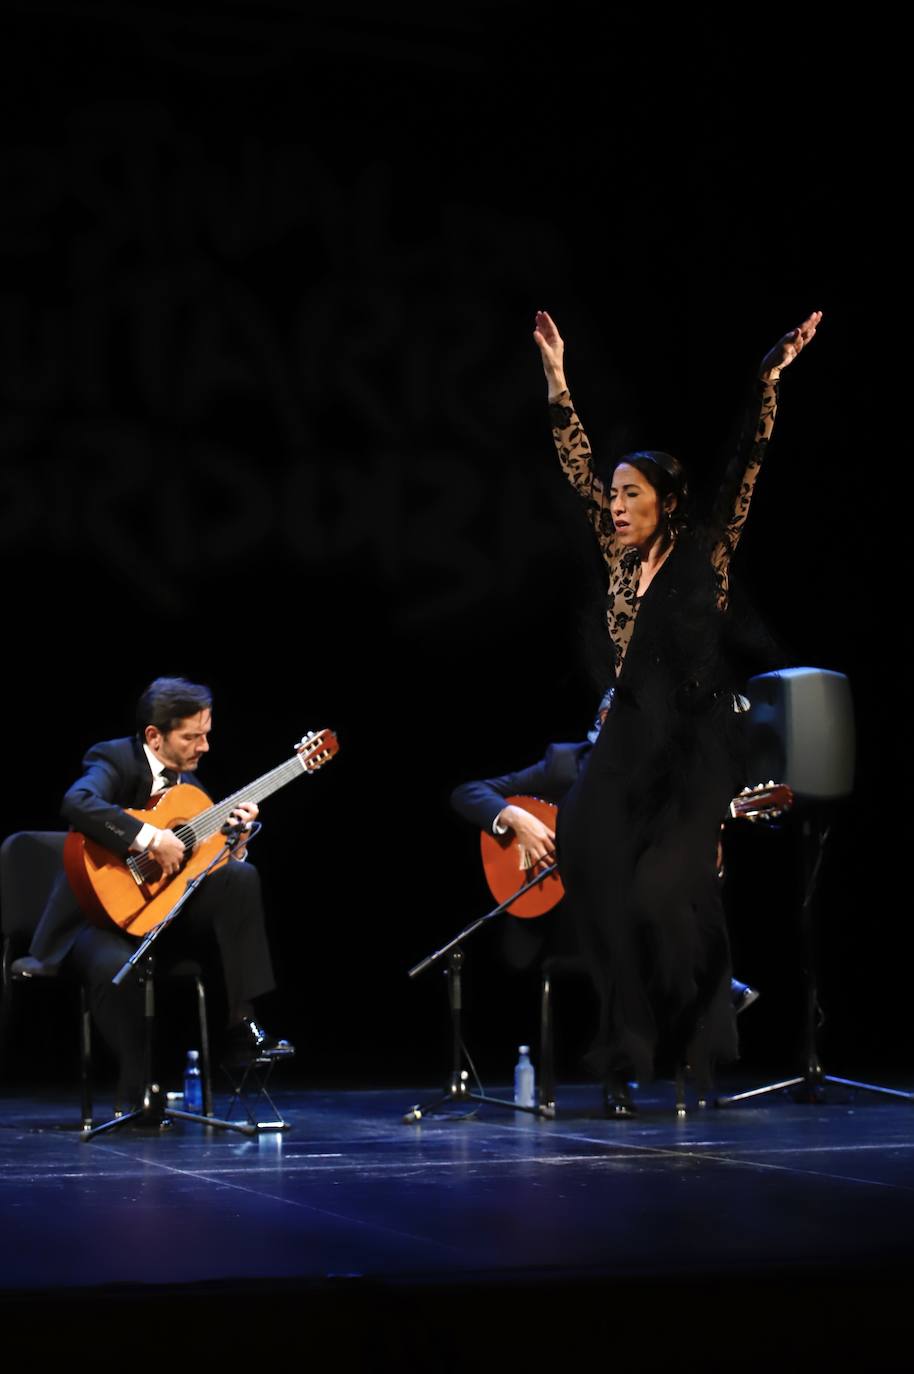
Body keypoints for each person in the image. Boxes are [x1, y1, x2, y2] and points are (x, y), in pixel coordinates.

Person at [532, 307, 820, 1114]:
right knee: (592, 868)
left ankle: (703, 1023)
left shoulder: (708, 551)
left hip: (695, 739)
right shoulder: (614, 554)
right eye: (614, 496)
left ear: (666, 501)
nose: (616, 506)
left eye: (631, 495)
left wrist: (767, 381)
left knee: (667, 892)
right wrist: (558, 377)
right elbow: (574, 459)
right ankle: (623, 1059)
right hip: (625, 730)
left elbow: (744, 464)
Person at [15, 676, 293, 1106]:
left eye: (207, 735)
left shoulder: (192, 790)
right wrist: (147, 838)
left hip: (160, 918)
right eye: (192, 737)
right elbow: (77, 802)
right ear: (154, 736)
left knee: (241, 876)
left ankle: (242, 1025)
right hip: (96, 920)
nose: (204, 747)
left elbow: (205, 866)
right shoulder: (115, 759)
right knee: (118, 968)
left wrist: (235, 846)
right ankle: (139, 1093)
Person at [450, 695, 759, 1010]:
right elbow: (469, 793)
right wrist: (518, 820)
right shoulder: (564, 764)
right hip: (560, 920)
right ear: (602, 723)